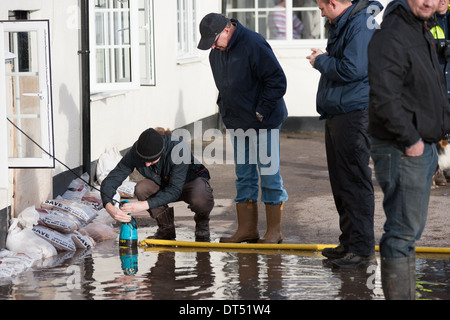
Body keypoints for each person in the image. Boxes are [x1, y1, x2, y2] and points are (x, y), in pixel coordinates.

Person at [368, 0, 450, 299]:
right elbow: (383, 95)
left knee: (408, 232)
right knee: (402, 234)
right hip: (402, 148)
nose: (429, 1)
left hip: (421, 145)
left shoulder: (420, 29)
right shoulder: (393, 33)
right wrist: (411, 141)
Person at [197, 13, 288, 244]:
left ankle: (274, 232)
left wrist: (261, 110)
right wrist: (225, 111)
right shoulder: (216, 53)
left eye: (214, 40)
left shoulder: (254, 43)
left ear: (227, 30)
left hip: (263, 121)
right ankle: (247, 229)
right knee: (244, 176)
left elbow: (277, 80)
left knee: (269, 174)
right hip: (238, 122)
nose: (213, 47)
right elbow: (224, 87)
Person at [306, 0, 382, 268]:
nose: (320, 12)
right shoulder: (345, 23)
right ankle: (349, 243)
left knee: (354, 182)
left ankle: (361, 250)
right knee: (342, 183)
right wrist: (326, 58)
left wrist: (321, 61)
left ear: (334, 3)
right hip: (340, 112)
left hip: (354, 113)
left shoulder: (360, 25)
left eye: (321, 7)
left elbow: (353, 69)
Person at [100, 128, 214, 242]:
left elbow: (174, 190)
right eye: (144, 160)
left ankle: (202, 223)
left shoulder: (179, 149)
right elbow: (112, 179)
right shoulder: (136, 151)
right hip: (163, 182)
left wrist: (145, 204)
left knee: (201, 194)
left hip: (189, 182)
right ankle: (166, 228)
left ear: (162, 152)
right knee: (142, 188)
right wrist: (109, 206)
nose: (147, 164)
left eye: (152, 160)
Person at [431, 0, 450, 186]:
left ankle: (447, 169)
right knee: (437, 131)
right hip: (434, 85)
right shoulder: (426, 22)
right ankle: (437, 171)